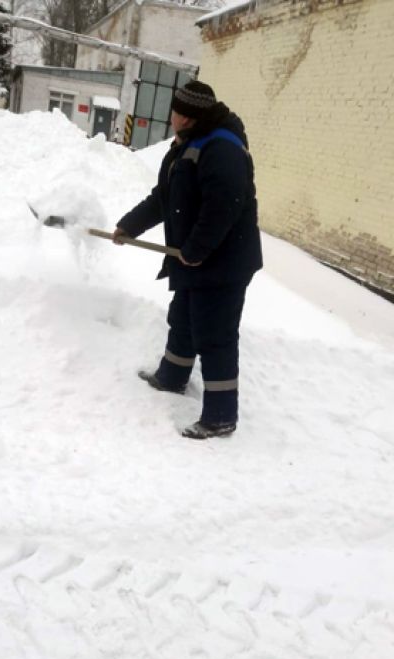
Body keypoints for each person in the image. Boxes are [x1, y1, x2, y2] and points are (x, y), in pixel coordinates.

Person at [112, 80, 263, 439]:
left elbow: (224, 205)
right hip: (195, 258)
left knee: (215, 335)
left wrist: (195, 251)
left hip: (223, 262)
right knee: (182, 319)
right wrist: (129, 226)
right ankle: (172, 377)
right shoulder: (185, 146)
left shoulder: (221, 148)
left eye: (178, 110)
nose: (173, 114)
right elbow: (164, 198)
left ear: (190, 116)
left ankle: (221, 415)